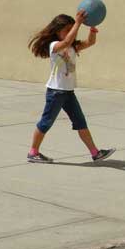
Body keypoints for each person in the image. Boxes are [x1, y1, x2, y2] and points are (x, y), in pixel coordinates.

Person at [27, 11, 115, 163]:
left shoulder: (72, 47)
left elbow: (90, 42)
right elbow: (67, 42)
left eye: (71, 29)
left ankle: (95, 153)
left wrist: (92, 30)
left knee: (80, 122)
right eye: (67, 30)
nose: (70, 33)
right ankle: (33, 152)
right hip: (56, 92)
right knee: (46, 122)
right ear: (57, 31)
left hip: (68, 92)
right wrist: (78, 23)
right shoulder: (54, 46)